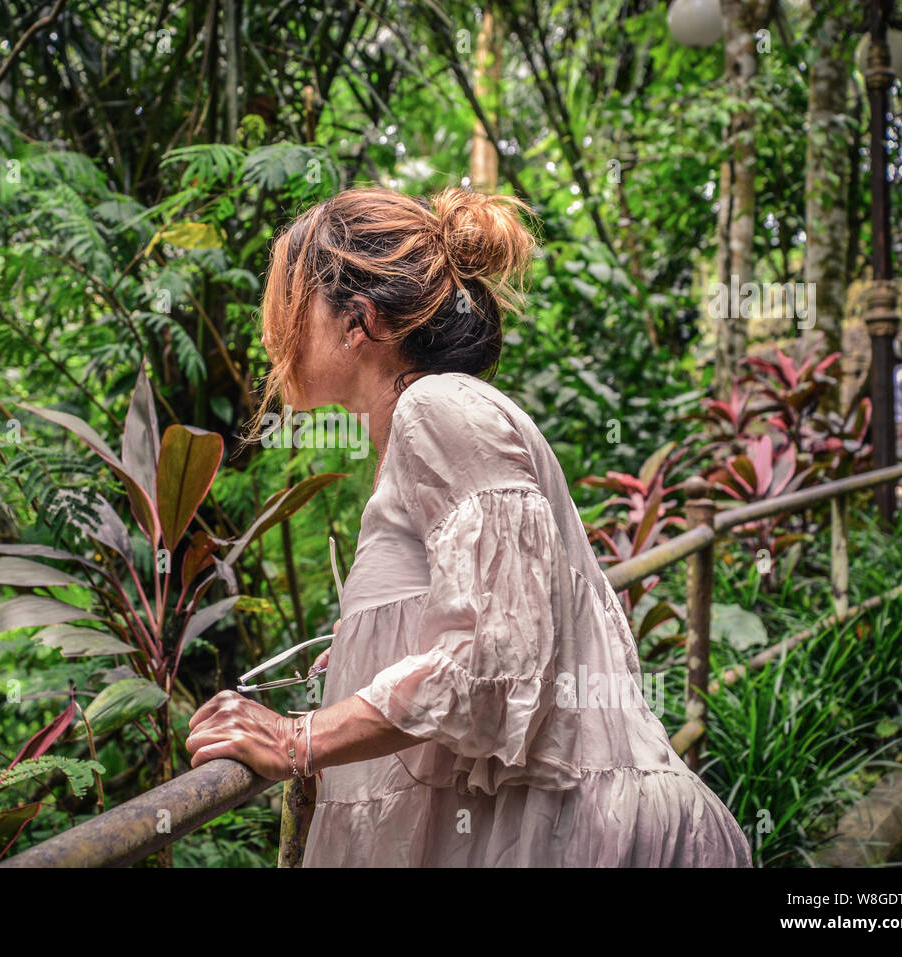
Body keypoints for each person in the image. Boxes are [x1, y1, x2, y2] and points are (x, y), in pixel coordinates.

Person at [185, 185, 752, 867]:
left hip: (575, 836)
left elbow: (495, 656)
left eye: (290, 302)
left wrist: (295, 739)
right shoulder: (423, 425)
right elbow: (488, 618)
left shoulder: (438, 407)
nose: (273, 331)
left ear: (357, 320)